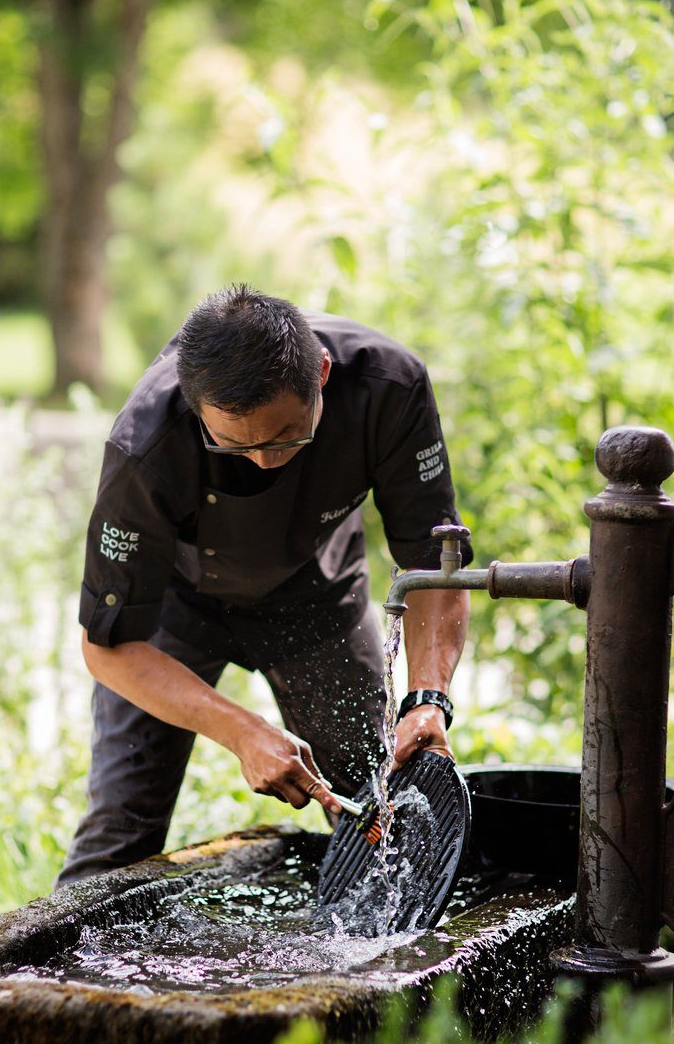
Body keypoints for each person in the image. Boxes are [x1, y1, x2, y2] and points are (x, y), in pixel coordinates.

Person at [56, 284, 471, 887]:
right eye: (232, 445)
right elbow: (108, 646)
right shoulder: (145, 441)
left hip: (317, 596)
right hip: (173, 610)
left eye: (285, 438)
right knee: (121, 829)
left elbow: (434, 565)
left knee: (381, 808)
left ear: (322, 374)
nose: (262, 462)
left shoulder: (389, 387)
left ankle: (400, 974)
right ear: (195, 407)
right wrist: (242, 731)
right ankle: (60, 979)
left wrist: (428, 696)